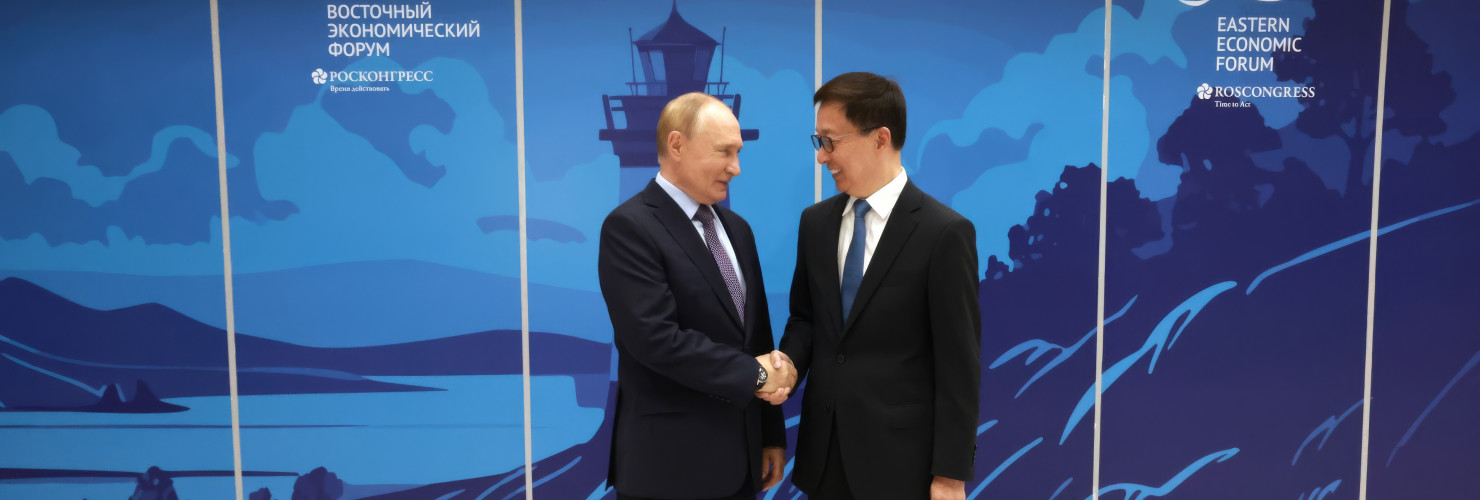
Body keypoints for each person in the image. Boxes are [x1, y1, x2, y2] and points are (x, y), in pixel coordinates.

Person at [770, 72, 982, 500]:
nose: (822, 156)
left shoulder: (944, 234)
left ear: (880, 138)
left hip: (904, 467)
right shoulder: (815, 225)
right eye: (819, 141)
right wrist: (788, 365)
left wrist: (950, 476)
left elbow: (959, 366)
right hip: (824, 461)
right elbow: (806, 320)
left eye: (832, 141)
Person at [598, 92, 795, 500]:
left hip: (741, 468)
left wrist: (769, 434)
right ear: (676, 145)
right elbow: (655, 339)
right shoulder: (629, 227)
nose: (736, 168)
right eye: (724, 152)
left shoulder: (737, 229)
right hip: (668, 471)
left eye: (739, 152)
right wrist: (757, 376)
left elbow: (755, 338)